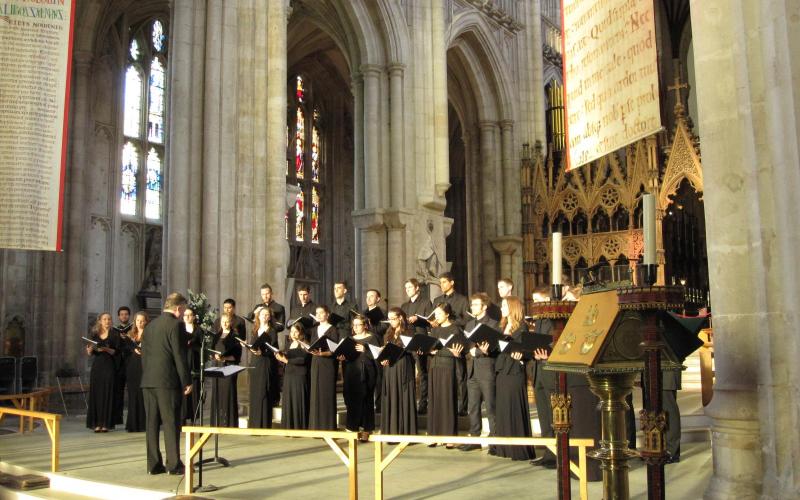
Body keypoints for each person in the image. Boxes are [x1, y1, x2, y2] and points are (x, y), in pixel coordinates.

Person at [140, 293, 192, 475]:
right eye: (183, 309)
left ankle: (153, 465)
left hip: (148, 381)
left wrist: (147, 376)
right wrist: (186, 380)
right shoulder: (177, 324)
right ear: (178, 308)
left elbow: (144, 356)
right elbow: (179, 355)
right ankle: (174, 464)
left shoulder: (150, 325)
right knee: (171, 422)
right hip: (167, 382)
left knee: (151, 423)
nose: (183, 313)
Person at [493, 296, 536, 461]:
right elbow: (498, 348)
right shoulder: (503, 326)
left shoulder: (522, 327)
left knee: (514, 407)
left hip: (515, 371)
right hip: (502, 370)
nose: (501, 308)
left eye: (504, 305)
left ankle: (518, 449)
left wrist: (522, 354)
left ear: (512, 307)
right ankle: (505, 448)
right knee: (503, 407)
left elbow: (528, 350)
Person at [460, 293, 499, 451]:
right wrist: (467, 352)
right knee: (473, 406)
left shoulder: (493, 324)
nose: (472, 307)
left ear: (484, 307)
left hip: (487, 369)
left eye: (476, 305)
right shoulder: (469, 325)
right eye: (472, 305)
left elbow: (496, 347)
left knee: (491, 406)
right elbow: (466, 346)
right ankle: (474, 438)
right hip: (472, 370)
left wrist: (483, 351)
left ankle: (495, 440)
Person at [427, 303, 465, 448]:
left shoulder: (455, 329)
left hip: (448, 367)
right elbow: (430, 348)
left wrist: (450, 352)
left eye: (438, 314)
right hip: (435, 366)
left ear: (447, 314)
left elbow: (458, 351)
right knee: (435, 400)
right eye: (435, 314)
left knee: (447, 399)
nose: (435, 316)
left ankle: (450, 435)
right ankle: (434, 435)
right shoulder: (435, 330)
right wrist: (428, 351)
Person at [380, 308, 418, 435]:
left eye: (393, 319)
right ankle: (392, 431)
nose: (390, 321)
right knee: (391, 395)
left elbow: (411, 348)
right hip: (390, 367)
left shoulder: (409, 331)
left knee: (403, 395)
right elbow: (385, 349)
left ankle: (405, 431)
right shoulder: (388, 332)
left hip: (403, 365)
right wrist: (383, 358)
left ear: (400, 318)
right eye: (389, 319)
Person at [436, 272, 469, 416]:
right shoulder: (437, 299)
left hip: (456, 337)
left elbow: (467, 320)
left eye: (444, 282)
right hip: (441, 336)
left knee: (459, 375)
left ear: (452, 282)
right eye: (440, 282)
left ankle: (462, 408)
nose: (441, 285)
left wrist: (450, 322)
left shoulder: (462, 300)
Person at [339, 315, 379, 432]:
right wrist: (343, 357)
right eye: (354, 325)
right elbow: (347, 356)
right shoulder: (350, 339)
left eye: (358, 325)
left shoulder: (372, 338)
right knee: (351, 400)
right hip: (352, 372)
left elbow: (377, 356)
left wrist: (365, 350)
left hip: (366, 372)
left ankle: (366, 428)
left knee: (366, 400)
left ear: (365, 325)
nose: (355, 327)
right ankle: (352, 427)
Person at [401, 278, 433, 415]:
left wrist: (418, 319)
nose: (407, 290)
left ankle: (423, 404)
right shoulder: (404, 306)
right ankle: (408, 403)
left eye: (410, 287)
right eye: (406, 288)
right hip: (407, 341)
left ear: (417, 288)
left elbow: (431, 321)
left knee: (422, 373)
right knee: (407, 372)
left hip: (421, 340)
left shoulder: (426, 302)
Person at [86, 312, 120, 432]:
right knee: (96, 393)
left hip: (109, 365)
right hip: (97, 366)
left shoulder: (115, 334)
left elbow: (116, 352)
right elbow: (91, 352)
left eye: (109, 319)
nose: (107, 321)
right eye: (105, 319)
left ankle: (106, 423)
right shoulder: (95, 334)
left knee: (107, 393)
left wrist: (106, 349)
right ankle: (96, 423)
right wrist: (90, 350)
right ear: (100, 321)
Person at [248, 307, 280, 429]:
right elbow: (252, 345)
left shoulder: (272, 331)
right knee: (255, 393)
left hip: (266, 362)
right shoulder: (255, 329)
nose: (265, 316)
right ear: (259, 316)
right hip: (255, 363)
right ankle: (254, 424)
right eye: (263, 314)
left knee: (265, 392)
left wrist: (263, 352)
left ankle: (264, 424)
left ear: (270, 317)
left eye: (267, 314)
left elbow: (274, 349)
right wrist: (251, 348)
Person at [308, 305, 338, 430]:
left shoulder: (333, 329)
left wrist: (323, 353)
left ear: (327, 314)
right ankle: (316, 426)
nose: (319, 315)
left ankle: (328, 426)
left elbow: (335, 349)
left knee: (327, 392)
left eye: (321, 313)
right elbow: (311, 345)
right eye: (317, 313)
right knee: (315, 392)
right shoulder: (314, 329)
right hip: (316, 362)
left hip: (328, 363)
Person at [276, 323, 311, 429]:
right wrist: (279, 356)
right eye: (291, 332)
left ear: (301, 333)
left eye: (296, 331)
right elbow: (285, 359)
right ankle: (289, 427)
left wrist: (286, 360)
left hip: (299, 375)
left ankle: (300, 427)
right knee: (289, 400)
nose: (293, 334)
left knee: (298, 400)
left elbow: (303, 359)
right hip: (289, 375)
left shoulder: (305, 344)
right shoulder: (289, 344)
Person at [211, 314, 242, 427]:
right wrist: (214, 356)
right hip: (217, 367)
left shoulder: (235, 336)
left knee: (228, 392)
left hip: (229, 367)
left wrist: (224, 357)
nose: (224, 323)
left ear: (231, 322)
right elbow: (212, 351)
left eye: (227, 321)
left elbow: (237, 356)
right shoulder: (216, 336)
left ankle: (229, 422)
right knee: (218, 392)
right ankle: (217, 422)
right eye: (222, 321)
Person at [124, 311, 149, 432]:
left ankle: (143, 423)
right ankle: (132, 424)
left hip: (145, 366)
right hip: (133, 366)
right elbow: (125, 351)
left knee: (143, 394)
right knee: (133, 394)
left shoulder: (150, 334)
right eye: (138, 320)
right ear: (135, 321)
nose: (140, 323)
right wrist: (133, 349)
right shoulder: (130, 334)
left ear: (146, 321)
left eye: (142, 320)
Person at [363, 288, 386, 412]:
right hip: (364, 347)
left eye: (372, 296)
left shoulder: (382, 313)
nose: (368, 298)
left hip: (377, 346)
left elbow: (383, 329)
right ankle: (366, 405)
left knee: (378, 377)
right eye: (367, 296)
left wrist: (372, 324)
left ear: (378, 299)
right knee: (366, 376)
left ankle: (379, 406)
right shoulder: (363, 313)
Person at [181, 307, 204, 423]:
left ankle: (194, 417)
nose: (187, 317)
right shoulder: (179, 329)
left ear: (194, 317)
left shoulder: (199, 330)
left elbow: (202, 347)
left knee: (194, 391)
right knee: (183, 390)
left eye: (190, 315)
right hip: (183, 362)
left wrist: (192, 343)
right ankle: (182, 417)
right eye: (185, 315)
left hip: (194, 362)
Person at [113, 306, 132, 426]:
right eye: (122, 314)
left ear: (129, 316)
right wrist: (119, 339)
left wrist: (128, 338)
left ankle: (131, 418)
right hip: (119, 364)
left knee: (132, 391)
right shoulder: (114, 330)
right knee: (118, 391)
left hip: (130, 362)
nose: (124, 316)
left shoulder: (133, 328)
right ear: (119, 316)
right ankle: (117, 418)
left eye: (126, 314)